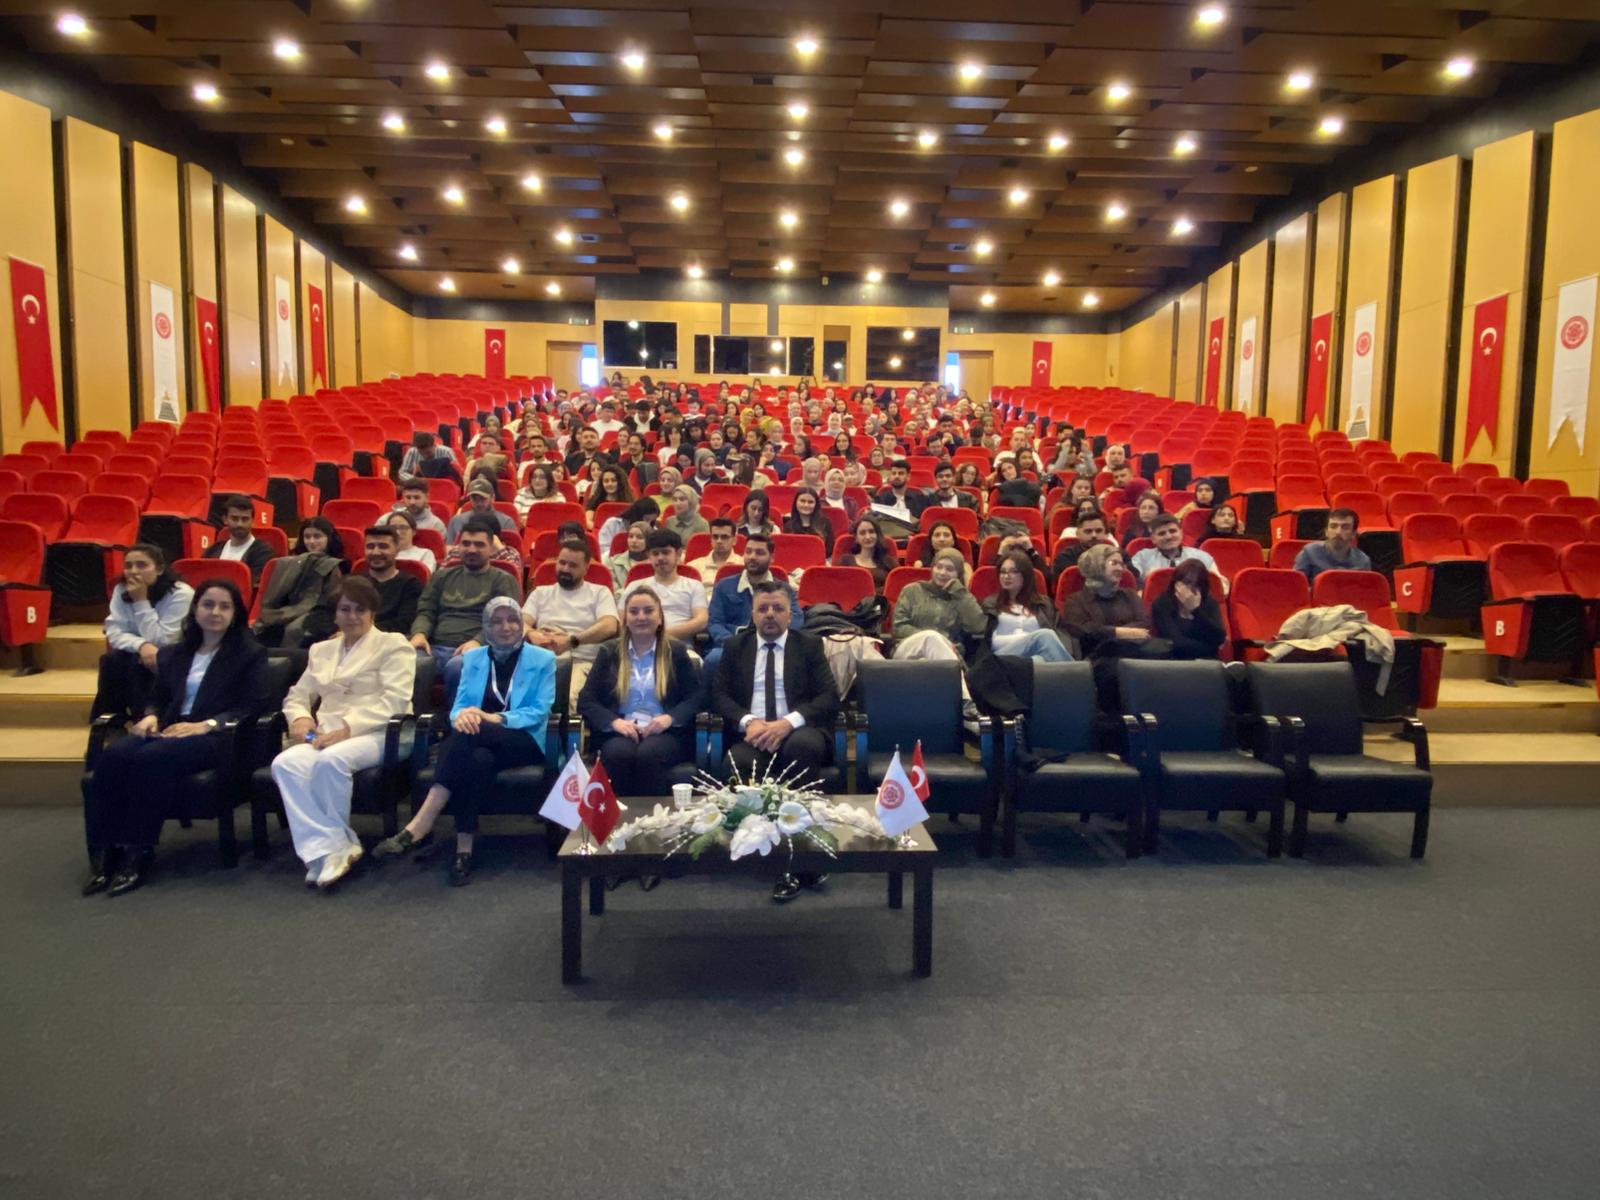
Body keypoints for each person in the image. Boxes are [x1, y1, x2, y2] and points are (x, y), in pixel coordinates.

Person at [80, 579, 267, 897]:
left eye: (225, 606)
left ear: (236, 613)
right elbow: (159, 697)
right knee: (113, 755)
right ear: (195, 609)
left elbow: (252, 705)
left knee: (150, 758)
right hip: (170, 729)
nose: (215, 612)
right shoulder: (176, 653)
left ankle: (138, 850)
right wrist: (151, 715)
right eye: (208, 605)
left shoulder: (250, 655)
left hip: (215, 737)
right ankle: (106, 851)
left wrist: (207, 724)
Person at [374, 597, 555, 886]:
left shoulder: (543, 659)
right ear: (486, 627)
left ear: (522, 624)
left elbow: (539, 711)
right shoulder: (473, 659)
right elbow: (458, 707)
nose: (506, 627)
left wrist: (493, 718)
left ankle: (421, 823)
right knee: (475, 758)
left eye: (513, 620)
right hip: (478, 741)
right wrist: (462, 718)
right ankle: (464, 849)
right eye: (497, 621)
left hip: (525, 739)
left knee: (468, 734)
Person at [272, 576, 416, 891]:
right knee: (285, 764)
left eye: (360, 610)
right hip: (325, 734)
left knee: (331, 760)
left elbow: (395, 702)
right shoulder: (321, 650)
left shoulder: (393, 644)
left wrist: (347, 729)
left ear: (372, 613)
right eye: (345, 609)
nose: (352, 616)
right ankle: (330, 847)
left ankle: (331, 851)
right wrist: (300, 719)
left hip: (380, 732)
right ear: (335, 614)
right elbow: (298, 695)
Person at [710, 581, 840, 901]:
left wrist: (787, 723)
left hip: (798, 730)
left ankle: (800, 855)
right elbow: (719, 696)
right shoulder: (735, 647)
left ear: (790, 615)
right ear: (752, 614)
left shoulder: (808, 645)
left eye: (778, 608)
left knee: (801, 748)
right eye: (763, 609)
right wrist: (748, 722)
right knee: (738, 761)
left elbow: (828, 697)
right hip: (753, 734)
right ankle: (762, 850)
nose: (770, 614)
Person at [577, 586, 703, 797]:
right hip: (621, 730)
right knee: (617, 753)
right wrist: (614, 722)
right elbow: (586, 700)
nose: (641, 617)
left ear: (660, 618)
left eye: (648, 611)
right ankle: (616, 814)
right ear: (625, 618)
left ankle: (653, 815)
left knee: (648, 753)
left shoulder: (676, 651)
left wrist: (669, 718)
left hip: (665, 733)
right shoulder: (609, 652)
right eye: (634, 612)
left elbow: (696, 697)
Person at [410, 516, 520, 709]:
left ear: (491, 549)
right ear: (458, 547)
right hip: (434, 646)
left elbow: (503, 624)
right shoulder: (442, 576)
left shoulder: (503, 580)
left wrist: (477, 641)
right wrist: (419, 634)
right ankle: (414, 720)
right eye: (466, 544)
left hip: (480, 649)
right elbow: (426, 611)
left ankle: (455, 722)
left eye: (479, 544)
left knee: (459, 667)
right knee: (409, 660)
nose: (471, 549)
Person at [92, 543, 193, 724]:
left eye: (141, 565)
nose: (133, 571)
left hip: (175, 653)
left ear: (159, 569)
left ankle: (144, 720)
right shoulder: (121, 589)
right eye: (128, 566)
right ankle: (110, 722)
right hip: (138, 652)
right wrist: (141, 645)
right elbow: (114, 632)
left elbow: (163, 640)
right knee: (111, 660)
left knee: (135, 665)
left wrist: (140, 601)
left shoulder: (181, 594)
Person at [892, 547, 987, 723]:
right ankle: (966, 702)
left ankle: (951, 722)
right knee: (931, 637)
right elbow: (898, 627)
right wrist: (938, 639)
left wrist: (960, 594)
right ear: (932, 568)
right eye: (939, 567)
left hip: (942, 659)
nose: (942, 573)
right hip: (907, 650)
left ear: (958, 574)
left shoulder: (962, 598)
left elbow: (979, 627)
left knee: (927, 666)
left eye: (949, 569)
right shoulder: (912, 590)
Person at [521, 538, 619, 701]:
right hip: (543, 658)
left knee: (572, 697)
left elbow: (609, 625)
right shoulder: (540, 593)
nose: (565, 569)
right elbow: (520, 623)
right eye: (562, 563)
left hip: (580, 661)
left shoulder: (599, 593)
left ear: (586, 568)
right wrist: (532, 634)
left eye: (573, 565)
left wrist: (571, 641)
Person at [706, 532, 802, 670]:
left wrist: (770, 640)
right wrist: (734, 643)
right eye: (748, 551)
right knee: (714, 658)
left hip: (772, 644)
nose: (752, 557)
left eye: (759, 553)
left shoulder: (785, 590)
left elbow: (796, 620)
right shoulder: (723, 586)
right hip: (732, 646)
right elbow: (715, 622)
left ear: (772, 558)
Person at [251, 517, 343, 648]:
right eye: (307, 537)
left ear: (329, 538)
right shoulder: (289, 563)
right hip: (289, 609)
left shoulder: (337, 566)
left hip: (319, 613)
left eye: (317, 536)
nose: (311, 542)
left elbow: (331, 602)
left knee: (294, 629)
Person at [1060, 543, 1152, 662]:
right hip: (1097, 659)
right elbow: (1081, 630)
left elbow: (1144, 622)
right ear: (1096, 565)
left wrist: (1107, 633)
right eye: (1114, 563)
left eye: (1121, 564)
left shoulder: (1129, 595)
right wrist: (1118, 632)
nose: (1120, 568)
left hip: (1136, 653)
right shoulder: (1076, 600)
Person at [983, 549, 1072, 661]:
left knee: (1039, 659)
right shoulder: (991, 604)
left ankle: (1070, 669)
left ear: (1026, 575)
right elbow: (984, 638)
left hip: (1032, 658)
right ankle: (1074, 670)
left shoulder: (1043, 604)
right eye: (1003, 572)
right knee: (1044, 636)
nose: (1006, 576)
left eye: (1014, 571)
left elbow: (1060, 632)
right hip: (1001, 659)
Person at [621, 528, 707, 641]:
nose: (660, 558)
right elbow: (621, 619)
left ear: (678, 554)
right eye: (655, 553)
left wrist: (659, 637)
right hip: (639, 643)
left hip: (679, 644)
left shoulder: (694, 586)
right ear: (649, 556)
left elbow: (701, 620)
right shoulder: (634, 586)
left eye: (665, 552)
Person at [1150, 558, 1227, 660]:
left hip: (1207, 662)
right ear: (1176, 584)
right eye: (1187, 583)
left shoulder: (1210, 603)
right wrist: (1211, 648)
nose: (1190, 589)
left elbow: (1219, 638)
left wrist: (1195, 610)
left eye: (1197, 585)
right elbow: (1176, 643)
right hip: (1174, 661)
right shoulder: (1162, 603)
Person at [357, 525, 422, 635]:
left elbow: (405, 623)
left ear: (397, 549)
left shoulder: (410, 585)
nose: (376, 552)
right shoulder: (354, 583)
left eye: (383, 546)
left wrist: (363, 630)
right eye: (370, 547)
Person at [1129, 514, 1221, 584]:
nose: (1168, 537)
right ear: (1153, 539)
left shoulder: (1201, 557)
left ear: (1181, 533)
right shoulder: (1142, 557)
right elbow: (1131, 582)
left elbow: (1222, 587)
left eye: (1173, 531)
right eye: (1162, 533)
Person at [203, 494, 274, 583]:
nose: (240, 524)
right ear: (225, 520)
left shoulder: (263, 551)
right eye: (234, 519)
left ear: (252, 521)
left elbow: (253, 583)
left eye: (245, 519)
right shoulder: (213, 550)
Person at [1294, 507, 1372, 583]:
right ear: (1326, 532)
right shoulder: (1309, 552)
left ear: (1353, 534)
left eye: (1345, 527)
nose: (1338, 532)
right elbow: (1296, 585)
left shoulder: (1363, 561)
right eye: (1333, 526)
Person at [832, 514, 896, 590]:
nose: (868, 537)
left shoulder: (889, 562)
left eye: (871, 532)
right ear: (856, 538)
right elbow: (837, 587)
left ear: (877, 535)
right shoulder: (846, 561)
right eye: (862, 533)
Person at [446, 476, 516, 543]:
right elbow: (449, 547)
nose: (478, 503)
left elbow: (510, 549)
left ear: (492, 498)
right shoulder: (456, 521)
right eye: (474, 499)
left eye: (482, 498)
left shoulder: (506, 522)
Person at [687, 516, 742, 593]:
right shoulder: (694, 567)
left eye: (724, 537)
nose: (719, 541)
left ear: (734, 540)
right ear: (711, 539)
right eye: (715, 537)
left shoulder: (742, 565)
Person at [607, 517, 653, 591]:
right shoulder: (612, 562)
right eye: (630, 536)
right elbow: (613, 592)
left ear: (648, 541)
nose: (634, 541)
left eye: (640, 537)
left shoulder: (657, 564)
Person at [383, 509, 437, 573]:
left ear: (413, 531)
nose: (397, 532)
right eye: (392, 528)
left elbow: (424, 576)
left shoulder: (425, 554)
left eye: (403, 528)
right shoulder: (381, 553)